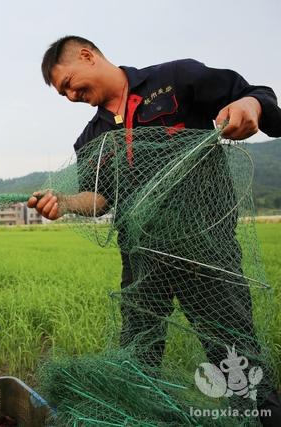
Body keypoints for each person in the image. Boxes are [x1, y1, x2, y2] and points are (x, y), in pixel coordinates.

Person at [30, 36, 281, 425]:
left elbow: (253, 94)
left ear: (86, 55)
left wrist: (249, 107)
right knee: (138, 361)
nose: (70, 95)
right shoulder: (90, 138)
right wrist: (63, 204)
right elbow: (99, 199)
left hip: (207, 255)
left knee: (237, 360)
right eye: (63, 93)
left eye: (68, 83)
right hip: (142, 264)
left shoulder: (175, 80)